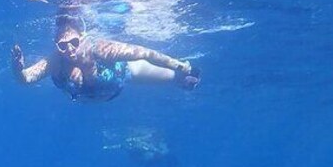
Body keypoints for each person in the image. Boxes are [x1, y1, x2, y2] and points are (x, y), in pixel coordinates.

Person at [12, 13, 200, 101]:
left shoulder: (100, 49)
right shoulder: (56, 60)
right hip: (86, 98)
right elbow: (26, 79)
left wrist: (180, 66)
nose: (69, 49)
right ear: (56, 45)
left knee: (169, 76)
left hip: (121, 77)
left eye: (74, 43)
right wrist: (18, 69)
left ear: (82, 38)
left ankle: (182, 80)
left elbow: (146, 53)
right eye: (62, 45)